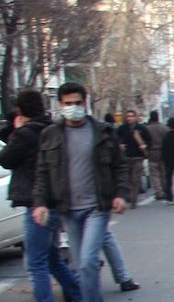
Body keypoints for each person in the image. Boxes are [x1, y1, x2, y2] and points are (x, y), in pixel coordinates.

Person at [32, 82, 130, 302]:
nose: (73, 107)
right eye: (68, 103)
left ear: (85, 102)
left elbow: (119, 166)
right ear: (60, 105)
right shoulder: (50, 135)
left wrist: (120, 194)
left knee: (87, 262)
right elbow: (42, 172)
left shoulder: (103, 132)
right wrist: (39, 203)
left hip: (97, 206)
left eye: (77, 102)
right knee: (79, 265)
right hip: (67, 208)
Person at [0, 89, 81, 302]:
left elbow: (6, 160)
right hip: (56, 198)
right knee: (51, 257)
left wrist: (17, 129)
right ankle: (77, 293)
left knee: (36, 261)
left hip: (35, 202)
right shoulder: (54, 129)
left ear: (20, 110)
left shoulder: (25, 133)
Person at [116, 110, 150, 209]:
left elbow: (148, 140)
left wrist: (144, 146)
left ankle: (133, 199)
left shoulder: (141, 129)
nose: (129, 118)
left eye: (131, 116)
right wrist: (119, 145)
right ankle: (128, 196)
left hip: (138, 157)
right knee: (127, 179)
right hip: (125, 157)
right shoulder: (122, 129)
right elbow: (115, 140)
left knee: (135, 180)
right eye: (128, 116)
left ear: (135, 117)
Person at [144, 111, 169, 200]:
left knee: (154, 173)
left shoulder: (146, 128)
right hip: (163, 151)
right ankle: (165, 188)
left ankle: (158, 192)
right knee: (163, 171)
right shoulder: (164, 128)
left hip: (152, 152)